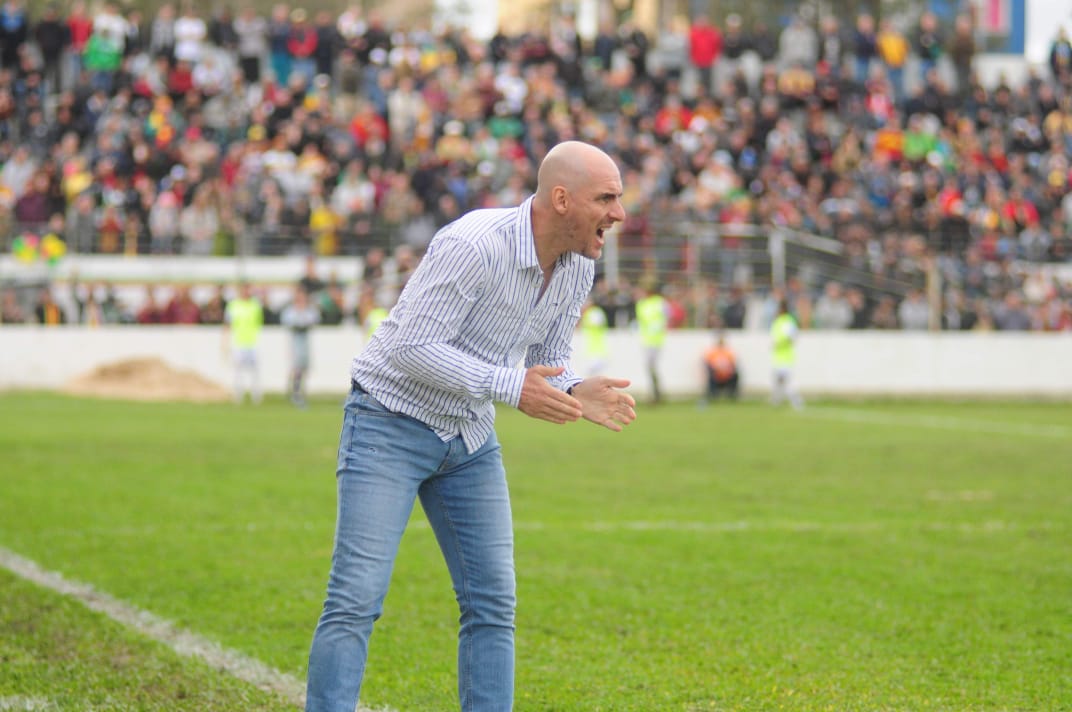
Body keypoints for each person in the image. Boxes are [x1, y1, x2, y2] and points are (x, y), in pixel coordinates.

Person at [304, 140, 637, 712]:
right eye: (606, 198)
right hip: (388, 422)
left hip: (468, 438)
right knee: (355, 600)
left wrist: (575, 390)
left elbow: (550, 356)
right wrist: (511, 386)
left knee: (493, 605)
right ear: (561, 199)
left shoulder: (580, 261)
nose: (619, 213)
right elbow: (410, 346)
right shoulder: (472, 244)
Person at [223, 282, 264, 404]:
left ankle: (256, 397)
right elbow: (228, 324)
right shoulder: (233, 305)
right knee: (238, 371)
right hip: (238, 342)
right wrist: (225, 342)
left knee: (255, 371)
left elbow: (259, 322)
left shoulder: (255, 305)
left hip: (253, 342)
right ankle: (238, 397)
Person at [280, 286, 321, 407]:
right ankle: (295, 393)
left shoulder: (309, 310)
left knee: (304, 368)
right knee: (296, 368)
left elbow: (314, 320)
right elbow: (290, 322)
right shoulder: (290, 311)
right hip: (295, 341)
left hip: (305, 342)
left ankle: (298, 391)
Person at [634, 282, 669, 404]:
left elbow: (667, 317)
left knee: (651, 366)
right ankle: (656, 392)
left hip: (656, 340)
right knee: (649, 367)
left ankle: (656, 393)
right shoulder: (641, 304)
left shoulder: (660, 302)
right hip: (646, 340)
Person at [770, 298, 804, 409]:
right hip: (778, 356)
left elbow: (792, 338)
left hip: (786, 357)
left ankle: (797, 403)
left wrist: (780, 345)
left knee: (787, 383)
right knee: (778, 381)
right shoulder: (778, 321)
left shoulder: (788, 321)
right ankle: (776, 401)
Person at [701, 332, 739, 404]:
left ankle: (732, 395)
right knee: (711, 376)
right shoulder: (712, 352)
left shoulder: (728, 353)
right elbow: (708, 364)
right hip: (716, 375)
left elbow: (733, 365)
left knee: (735, 375)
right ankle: (713, 395)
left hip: (727, 376)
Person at [578, 297, 609, 376]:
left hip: (597, 350)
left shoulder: (595, 312)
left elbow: (596, 324)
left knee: (591, 371)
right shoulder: (590, 313)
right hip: (592, 349)